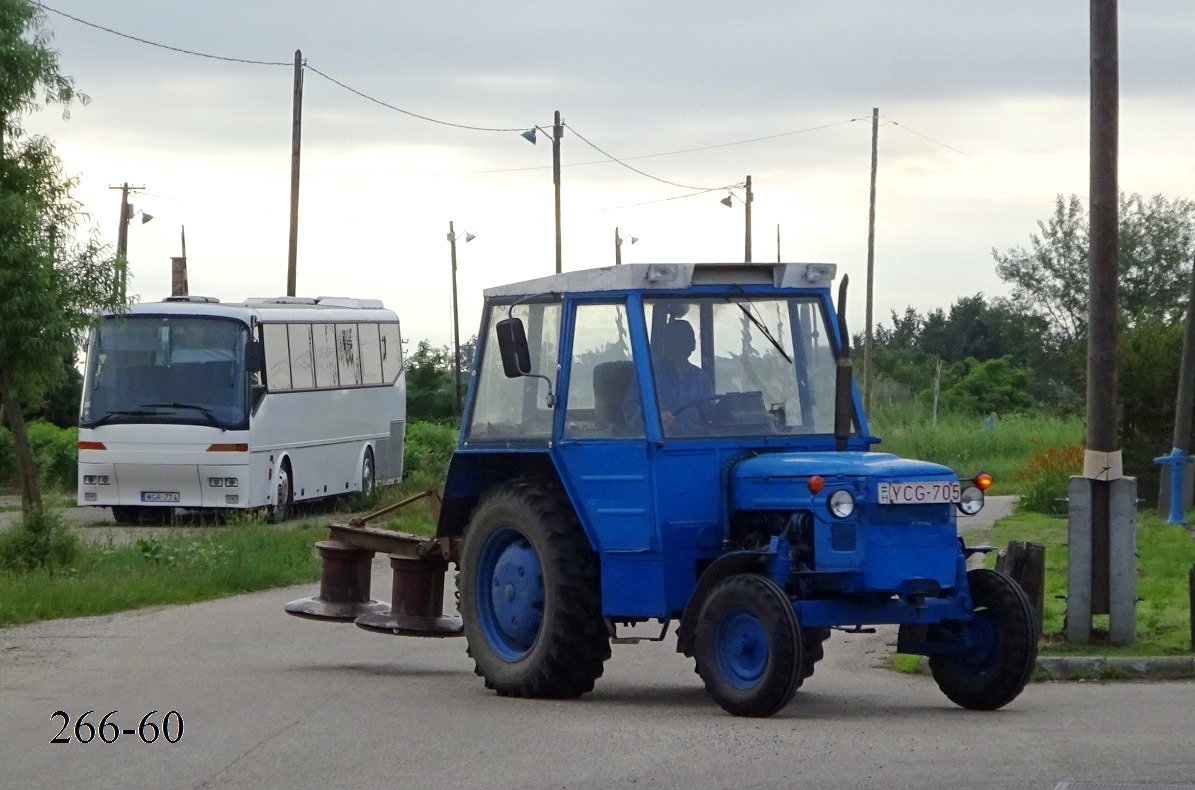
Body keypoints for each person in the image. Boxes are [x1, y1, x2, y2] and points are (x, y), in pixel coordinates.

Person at [652, 319, 713, 429]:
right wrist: (656, 418)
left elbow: (709, 413)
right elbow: (631, 408)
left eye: (686, 339)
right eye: (677, 339)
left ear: (692, 345)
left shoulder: (701, 378)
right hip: (661, 441)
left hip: (697, 440)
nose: (682, 343)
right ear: (665, 344)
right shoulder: (650, 375)